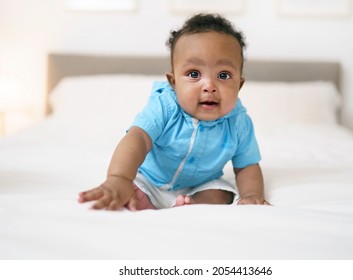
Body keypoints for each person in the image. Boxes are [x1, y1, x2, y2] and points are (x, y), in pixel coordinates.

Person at [78, 13, 270, 210]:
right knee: (135, 186)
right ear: (173, 82)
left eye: (223, 75)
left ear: (239, 85)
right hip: (152, 179)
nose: (209, 86)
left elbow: (246, 166)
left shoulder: (239, 122)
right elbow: (138, 138)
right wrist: (119, 178)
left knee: (222, 192)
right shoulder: (165, 105)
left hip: (200, 185)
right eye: (194, 74)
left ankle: (192, 204)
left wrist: (252, 195)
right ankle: (144, 198)